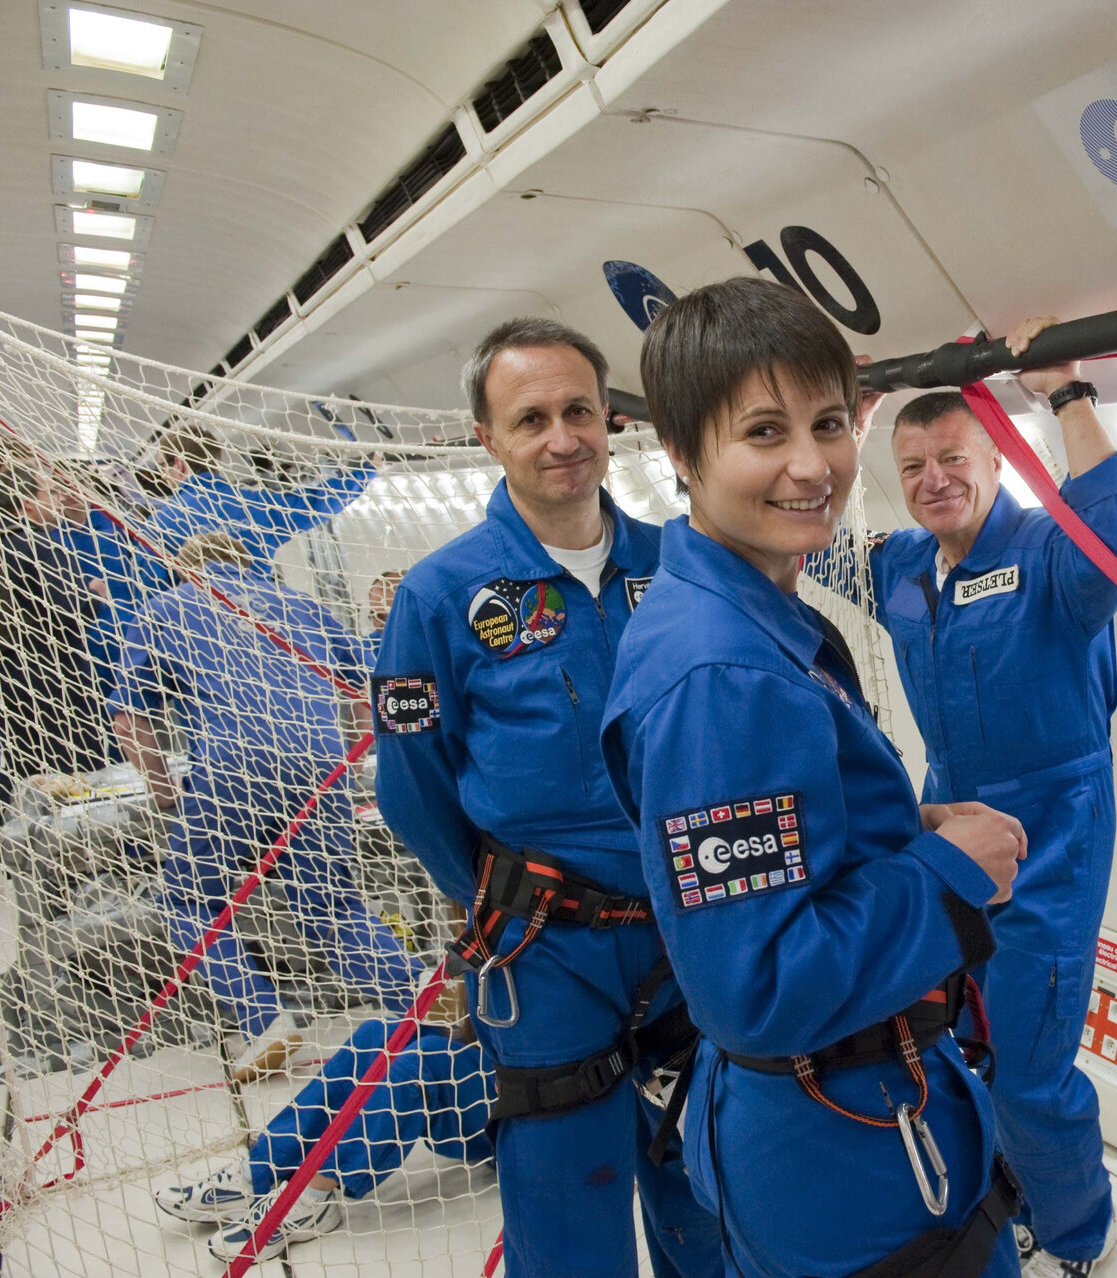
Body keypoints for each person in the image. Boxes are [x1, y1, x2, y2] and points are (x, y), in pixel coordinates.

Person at [601, 276, 1029, 1278]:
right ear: (679, 454)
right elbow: (758, 983)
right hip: (842, 1137)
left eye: (829, 423)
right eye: (762, 433)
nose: (811, 466)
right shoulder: (722, 673)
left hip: (858, 1111)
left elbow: (771, 859)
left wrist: (893, 832)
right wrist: (944, 874)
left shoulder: (746, 616)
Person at [372, 317, 721, 1278]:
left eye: (578, 411)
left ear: (609, 420)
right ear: (487, 437)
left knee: (707, 1184)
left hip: (693, 930)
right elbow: (412, 787)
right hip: (546, 950)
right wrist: (493, 891)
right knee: (571, 1207)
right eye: (531, 418)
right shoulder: (441, 596)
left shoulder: (683, 564)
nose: (562, 436)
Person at [861, 322, 1117, 1275]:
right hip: (947, 827)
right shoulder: (903, 568)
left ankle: (1080, 1235)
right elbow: (794, 541)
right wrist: (844, 416)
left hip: (1052, 837)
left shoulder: (1048, 551)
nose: (935, 480)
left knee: (1029, 1069)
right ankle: (1010, 1185)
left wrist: (1066, 396)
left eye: (954, 458)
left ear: (996, 458)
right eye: (914, 467)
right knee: (963, 1041)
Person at [111, 532, 422, 1082]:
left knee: (188, 901)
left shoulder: (167, 605)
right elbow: (368, 695)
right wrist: (351, 761)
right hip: (319, 761)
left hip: (232, 761)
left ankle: (263, 1022)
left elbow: (130, 720)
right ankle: (418, 995)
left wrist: (165, 794)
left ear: (186, 571)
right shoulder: (305, 606)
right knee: (332, 905)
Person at [155, 984, 494, 1262]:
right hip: (498, 1064)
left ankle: (312, 1199)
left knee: (420, 1064)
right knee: (379, 1035)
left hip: (530, 1107)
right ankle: (259, 1171)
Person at [136, 421, 378, 594]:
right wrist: (366, 470)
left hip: (195, 632)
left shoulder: (158, 525)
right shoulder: (259, 503)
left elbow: (148, 589)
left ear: (178, 464)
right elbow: (318, 501)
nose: (163, 476)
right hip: (258, 618)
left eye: (162, 467)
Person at [0, 455, 112, 800]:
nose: (59, 498)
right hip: (58, 687)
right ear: (27, 504)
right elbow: (67, 611)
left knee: (35, 788)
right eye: (50, 491)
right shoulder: (38, 546)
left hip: (12, 691)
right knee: (80, 786)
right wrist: (94, 593)